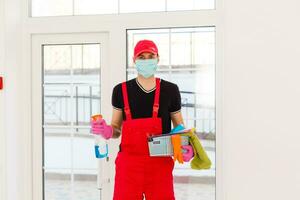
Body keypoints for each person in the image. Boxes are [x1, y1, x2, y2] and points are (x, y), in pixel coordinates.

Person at [91, 39, 194, 200]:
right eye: (141, 57)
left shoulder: (171, 90)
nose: (146, 60)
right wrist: (108, 131)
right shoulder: (120, 91)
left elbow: (179, 127)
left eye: (150, 56)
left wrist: (186, 146)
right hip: (128, 168)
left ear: (158, 58)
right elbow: (117, 130)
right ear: (134, 61)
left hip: (160, 167)